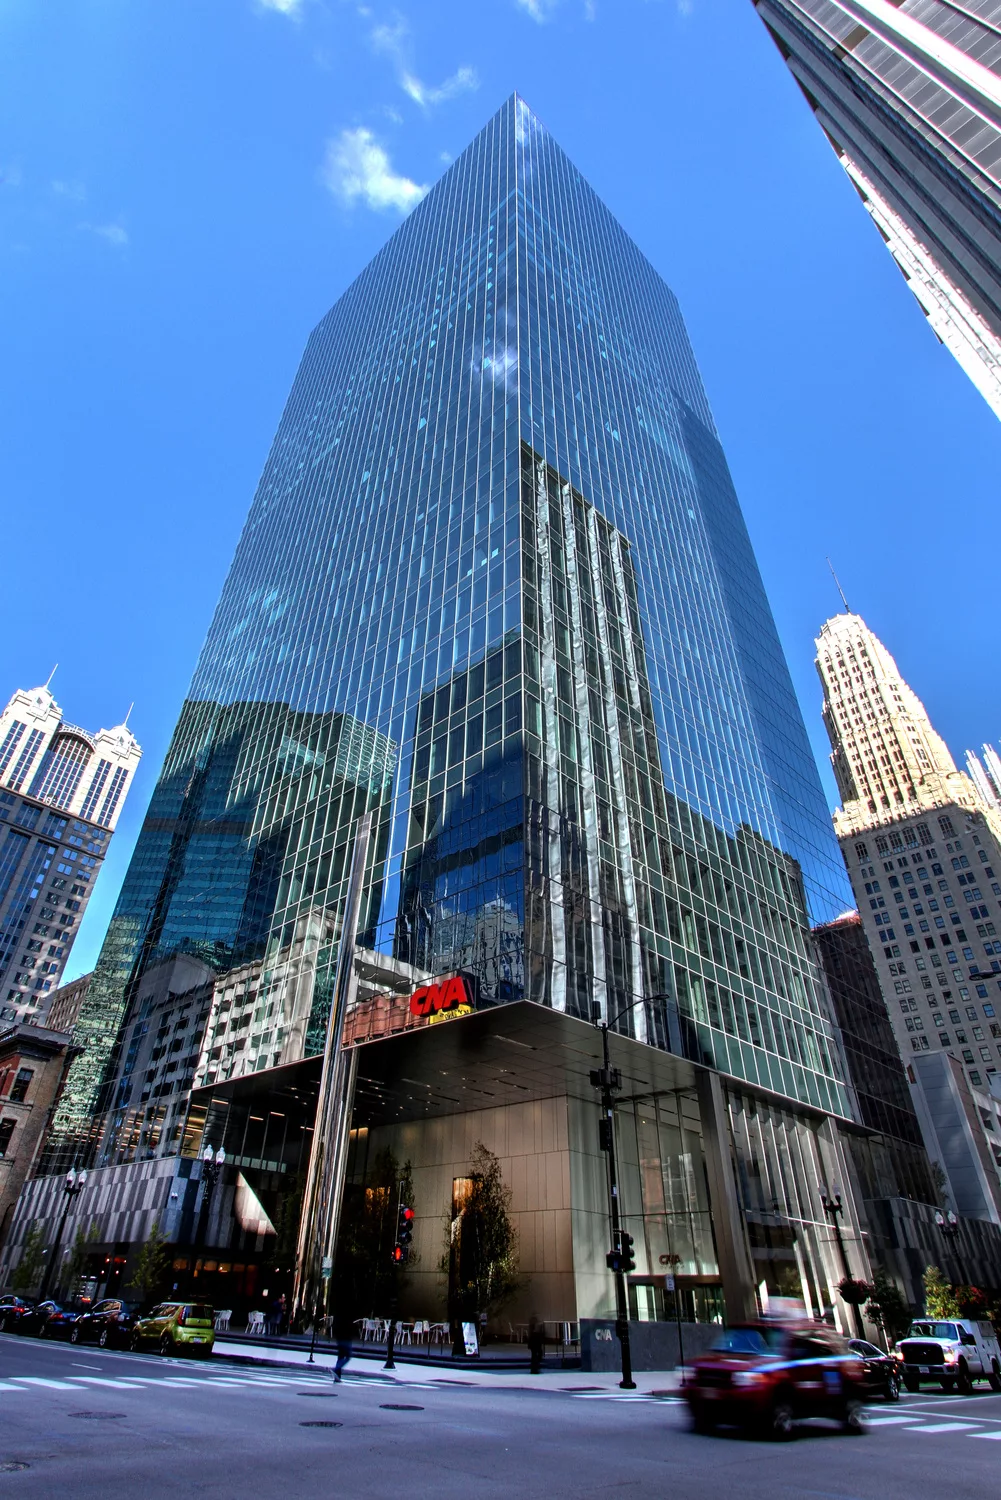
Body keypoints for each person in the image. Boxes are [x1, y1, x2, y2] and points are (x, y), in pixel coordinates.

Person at [332, 1301, 355, 1382]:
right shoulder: (347, 1318)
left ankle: (337, 1375)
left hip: (340, 1338)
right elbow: (350, 1327)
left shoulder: (338, 1316)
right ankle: (337, 1369)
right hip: (346, 1338)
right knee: (348, 1356)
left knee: (341, 1356)